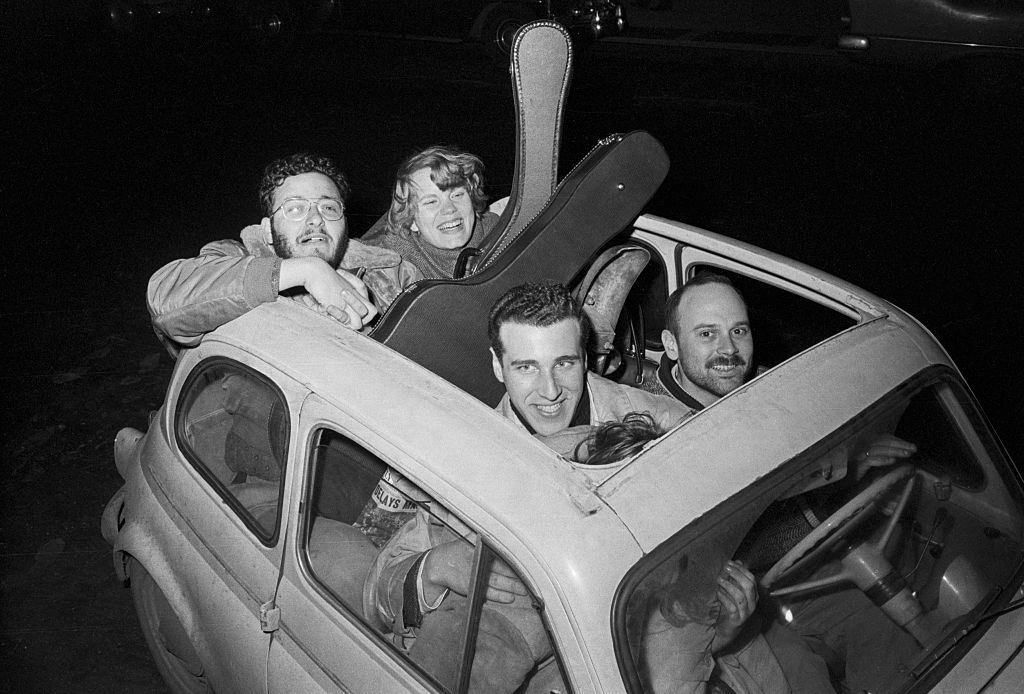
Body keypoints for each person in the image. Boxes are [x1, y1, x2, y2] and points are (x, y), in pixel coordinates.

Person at [364, 283, 768, 692]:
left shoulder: (661, 424)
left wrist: (723, 626)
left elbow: (704, 557)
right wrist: (436, 568)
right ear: (497, 366)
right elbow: (376, 594)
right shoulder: (471, 458)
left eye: (564, 363)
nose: (551, 391)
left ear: (585, 357)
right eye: (526, 367)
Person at [657, 271, 922, 693]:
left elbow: (817, 449)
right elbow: (730, 544)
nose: (728, 350)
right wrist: (848, 474)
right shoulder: (658, 435)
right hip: (731, 607)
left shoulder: (768, 385)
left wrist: (860, 453)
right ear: (671, 345)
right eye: (707, 334)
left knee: (890, 642)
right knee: (802, 680)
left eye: (738, 331)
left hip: (803, 574)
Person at [147, 152, 422, 356]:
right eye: (295, 208)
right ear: (267, 230)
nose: (315, 219)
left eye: (328, 208)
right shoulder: (235, 260)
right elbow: (164, 299)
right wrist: (307, 270)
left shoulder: (391, 274)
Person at [361, 145, 499, 279]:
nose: (449, 209)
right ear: (411, 221)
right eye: (431, 202)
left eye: (457, 195)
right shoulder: (396, 261)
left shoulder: (502, 233)